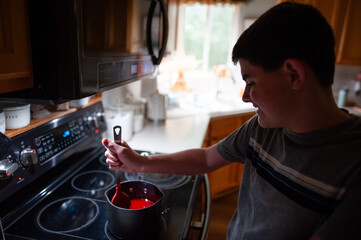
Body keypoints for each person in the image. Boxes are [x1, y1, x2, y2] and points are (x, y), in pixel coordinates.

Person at [102, 2, 361, 240]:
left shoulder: (353, 164)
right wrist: (140, 162)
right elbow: (205, 159)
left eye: (251, 82)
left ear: (293, 74)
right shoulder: (261, 129)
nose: (245, 96)